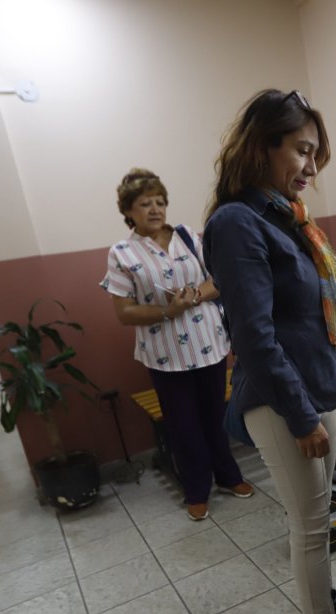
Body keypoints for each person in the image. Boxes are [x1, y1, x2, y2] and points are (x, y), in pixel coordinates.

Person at [203, 89, 336, 614]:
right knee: (310, 524)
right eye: (302, 152)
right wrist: (302, 415)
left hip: (319, 382)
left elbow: (306, 310)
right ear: (263, 147)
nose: (311, 168)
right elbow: (254, 336)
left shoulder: (289, 219)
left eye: (316, 155)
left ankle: (325, 598)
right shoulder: (237, 223)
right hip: (285, 401)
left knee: (320, 513)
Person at [101, 168, 253, 521]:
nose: (155, 209)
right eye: (144, 204)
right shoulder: (122, 253)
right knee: (184, 425)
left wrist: (196, 295)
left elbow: (219, 280)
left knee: (216, 416)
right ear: (129, 211)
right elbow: (125, 312)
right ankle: (197, 490)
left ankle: (229, 476)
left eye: (160, 202)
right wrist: (168, 310)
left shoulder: (189, 237)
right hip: (165, 354)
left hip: (209, 343)